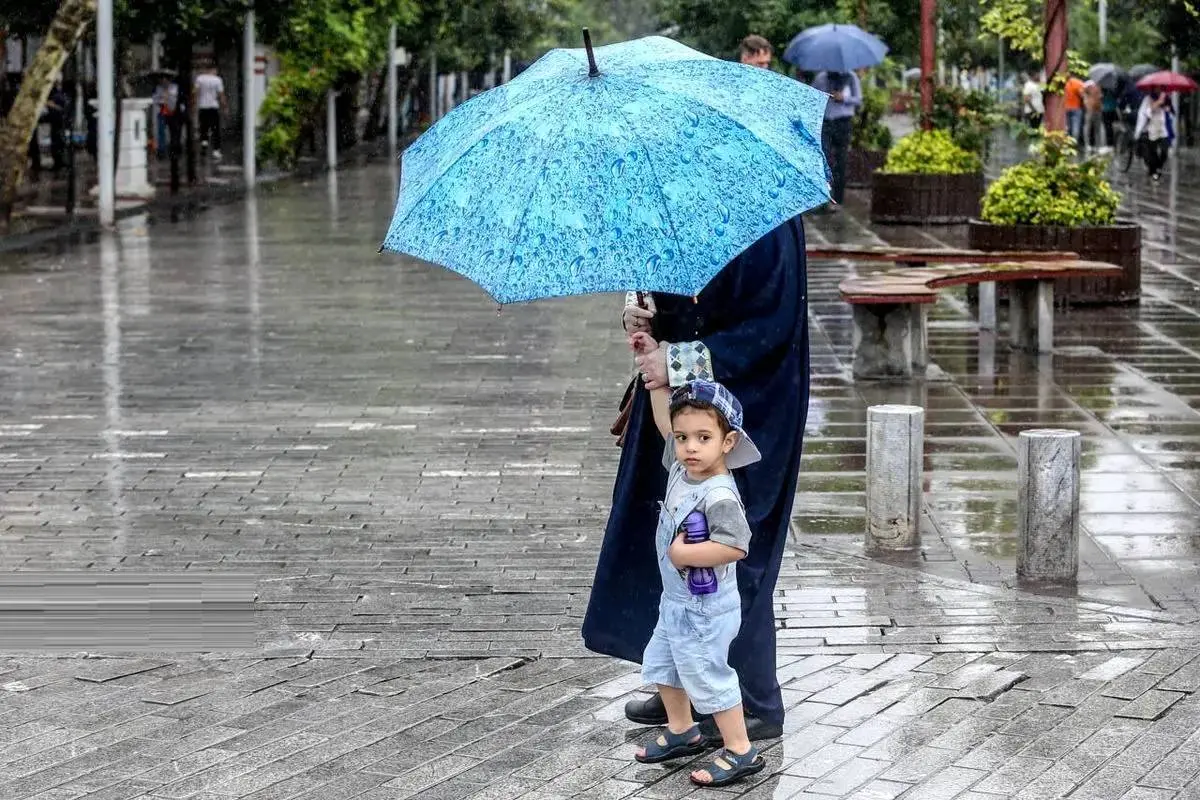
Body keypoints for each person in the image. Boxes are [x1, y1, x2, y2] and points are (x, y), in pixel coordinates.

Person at [583, 214, 810, 747]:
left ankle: (750, 700)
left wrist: (677, 359)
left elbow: (770, 325)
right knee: (672, 539)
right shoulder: (676, 197)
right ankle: (684, 686)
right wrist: (644, 319)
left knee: (730, 545)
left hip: (746, 410)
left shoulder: (766, 213)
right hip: (680, 407)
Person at [625, 370, 766, 788]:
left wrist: (684, 553)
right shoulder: (681, 471)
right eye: (683, 438)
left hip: (706, 608)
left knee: (707, 673)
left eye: (703, 438)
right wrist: (654, 383)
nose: (689, 446)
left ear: (728, 442)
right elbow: (664, 422)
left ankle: (741, 749)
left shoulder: (719, 494)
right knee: (665, 666)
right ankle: (683, 729)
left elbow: (736, 546)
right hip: (676, 602)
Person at [809, 70, 861, 208]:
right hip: (826, 122)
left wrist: (843, 98)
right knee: (823, 158)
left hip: (843, 122)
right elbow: (811, 97)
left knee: (841, 159)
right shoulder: (821, 78)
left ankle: (839, 197)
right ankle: (823, 197)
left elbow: (858, 99)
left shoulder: (850, 77)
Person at [1135, 90, 1170, 181]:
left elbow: (1169, 110)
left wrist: (1167, 107)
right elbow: (1147, 112)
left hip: (1162, 130)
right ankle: (1154, 171)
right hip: (1150, 130)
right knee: (1152, 154)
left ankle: (1157, 168)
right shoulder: (1148, 98)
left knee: (1164, 151)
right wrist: (1158, 102)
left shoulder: (1166, 97)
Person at [193, 63, 226, 159]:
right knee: (215, 129)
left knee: (203, 127)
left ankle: (204, 144)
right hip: (213, 107)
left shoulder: (199, 79)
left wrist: (194, 105)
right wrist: (224, 106)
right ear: (213, 69)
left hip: (202, 107)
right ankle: (216, 150)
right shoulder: (217, 80)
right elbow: (221, 95)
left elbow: (195, 93)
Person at [152, 75, 179, 159]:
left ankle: (173, 149)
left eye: (165, 79)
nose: (163, 81)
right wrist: (162, 99)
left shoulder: (174, 87)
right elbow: (155, 99)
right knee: (161, 132)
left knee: (173, 132)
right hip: (162, 112)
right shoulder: (158, 88)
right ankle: (162, 151)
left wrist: (167, 95)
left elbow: (175, 98)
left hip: (172, 112)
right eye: (162, 79)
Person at [1064, 72, 1086, 143]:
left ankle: (1068, 142)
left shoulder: (1064, 83)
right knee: (1076, 126)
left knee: (1068, 127)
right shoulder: (1078, 83)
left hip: (1066, 108)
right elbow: (1082, 95)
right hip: (1076, 108)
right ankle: (1074, 142)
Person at [1082, 79, 1102, 151]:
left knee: (1093, 128)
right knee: (1091, 128)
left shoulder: (1097, 87)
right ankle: (1090, 145)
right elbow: (1083, 95)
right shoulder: (1088, 87)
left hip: (1095, 109)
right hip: (1092, 109)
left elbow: (1100, 97)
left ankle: (1094, 145)